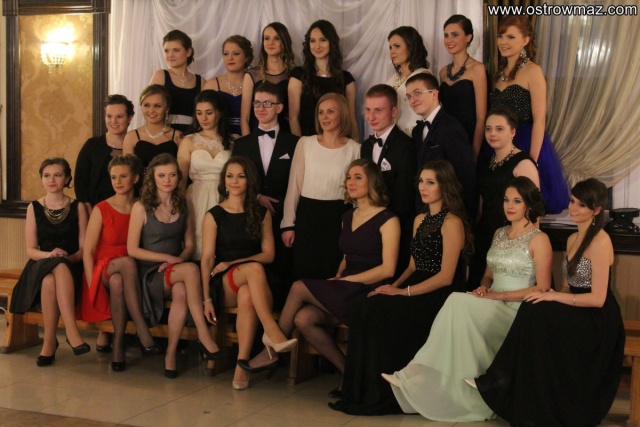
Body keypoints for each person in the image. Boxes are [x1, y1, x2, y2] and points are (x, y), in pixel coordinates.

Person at [382, 176, 552, 422]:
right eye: (506, 200)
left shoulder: (539, 238)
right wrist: (483, 289)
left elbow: (543, 287)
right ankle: (445, 383)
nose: (509, 205)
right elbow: (487, 276)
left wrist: (497, 296)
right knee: (458, 304)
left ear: (528, 204)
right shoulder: (499, 233)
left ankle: (417, 371)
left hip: (517, 310)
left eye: (517, 201)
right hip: (492, 302)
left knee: (456, 300)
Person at [474, 178, 625, 426]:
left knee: (536, 310)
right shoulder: (572, 239)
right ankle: (524, 393)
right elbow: (567, 287)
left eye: (582, 205)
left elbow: (598, 299)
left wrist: (553, 295)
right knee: (534, 305)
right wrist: (550, 297)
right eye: (572, 201)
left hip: (597, 319)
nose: (573, 208)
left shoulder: (600, 241)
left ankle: (499, 379)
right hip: (575, 306)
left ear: (597, 210)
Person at [246, 158, 400, 396]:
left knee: (298, 287)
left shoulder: (388, 219)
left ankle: (273, 350)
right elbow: (347, 256)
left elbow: (388, 269)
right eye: (348, 177)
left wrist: (347, 280)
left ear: (373, 182)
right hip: (346, 285)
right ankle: (347, 373)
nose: (350, 182)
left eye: (358, 177)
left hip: (369, 289)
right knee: (303, 318)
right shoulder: (348, 216)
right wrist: (339, 275)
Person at [329, 159, 470, 415]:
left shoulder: (452, 222)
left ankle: (383, 393)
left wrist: (403, 292)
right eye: (421, 181)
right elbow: (413, 266)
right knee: (365, 304)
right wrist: (390, 287)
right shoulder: (419, 219)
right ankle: (359, 391)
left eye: (430, 182)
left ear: (444, 186)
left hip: (439, 293)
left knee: (378, 312)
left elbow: (446, 277)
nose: (423, 187)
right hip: (414, 284)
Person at [200, 156, 297, 390]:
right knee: (253, 271)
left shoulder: (261, 213)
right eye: (230, 176)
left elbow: (269, 255)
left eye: (240, 176)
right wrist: (206, 299)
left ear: (249, 181)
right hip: (224, 282)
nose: (234, 181)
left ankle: (241, 366)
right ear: (224, 181)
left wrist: (233, 262)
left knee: (247, 294)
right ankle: (271, 332)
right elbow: (207, 260)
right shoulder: (214, 215)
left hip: (255, 281)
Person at [127, 153, 223, 378]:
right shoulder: (141, 207)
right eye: (161, 175)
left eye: (171, 175)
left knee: (181, 291)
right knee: (191, 269)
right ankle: (203, 335)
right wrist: (167, 259)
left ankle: (170, 355)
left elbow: (189, 245)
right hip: (151, 273)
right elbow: (132, 250)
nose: (167, 180)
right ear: (152, 178)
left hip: (176, 270)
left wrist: (178, 258)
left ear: (178, 177)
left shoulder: (183, 203)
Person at [82, 155, 163, 371]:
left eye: (123, 176)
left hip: (129, 274)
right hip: (103, 268)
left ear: (135, 178)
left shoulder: (143, 206)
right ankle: (141, 328)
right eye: (113, 177)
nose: (117, 182)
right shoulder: (101, 208)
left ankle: (118, 345)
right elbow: (88, 251)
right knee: (126, 263)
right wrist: (92, 284)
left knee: (118, 281)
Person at [9, 158, 89, 366]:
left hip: (72, 265)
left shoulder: (78, 207)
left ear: (67, 179)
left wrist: (67, 258)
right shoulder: (33, 207)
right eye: (47, 175)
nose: (51, 180)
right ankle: (71, 332)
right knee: (54, 267)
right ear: (42, 179)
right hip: (40, 263)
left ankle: (49, 343)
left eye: (58, 175)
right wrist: (51, 255)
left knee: (51, 278)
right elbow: (31, 250)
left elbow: (83, 249)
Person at [490, 15, 569, 214]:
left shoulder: (533, 71)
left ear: (525, 40)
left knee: (525, 206)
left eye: (510, 37)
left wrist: (531, 160)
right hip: (499, 144)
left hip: (526, 142)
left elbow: (540, 119)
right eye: (500, 36)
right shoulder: (498, 74)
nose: (503, 42)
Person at [233, 82, 299, 308]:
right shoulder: (241, 145)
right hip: (250, 220)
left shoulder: (295, 143)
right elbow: (234, 180)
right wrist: (257, 197)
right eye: (257, 103)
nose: (261, 108)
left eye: (267, 104)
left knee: (283, 276)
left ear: (279, 108)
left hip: (284, 220)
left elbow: (298, 183)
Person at [281, 93, 360, 280]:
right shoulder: (305, 143)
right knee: (304, 274)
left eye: (330, 111)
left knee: (332, 275)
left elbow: (357, 195)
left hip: (339, 218)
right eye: (321, 112)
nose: (324, 117)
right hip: (307, 217)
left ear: (342, 114)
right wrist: (288, 224)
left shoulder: (355, 149)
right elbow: (294, 186)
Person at [467, 107, 539, 289]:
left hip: (513, 237)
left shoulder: (523, 163)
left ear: (512, 132)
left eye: (499, 129)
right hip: (486, 233)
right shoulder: (486, 162)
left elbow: (534, 210)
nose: (492, 133)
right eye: (488, 129)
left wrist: (530, 248)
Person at [360, 84, 415, 275]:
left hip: (395, 228)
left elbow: (405, 197)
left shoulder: (406, 147)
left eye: (378, 110)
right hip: (368, 228)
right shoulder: (366, 146)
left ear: (394, 112)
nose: (371, 117)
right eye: (368, 110)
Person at [406, 72, 476, 219]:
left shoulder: (451, 128)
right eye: (409, 96)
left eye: (417, 93)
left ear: (434, 94)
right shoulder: (418, 131)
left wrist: (463, 219)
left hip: (449, 213)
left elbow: (465, 177)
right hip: (424, 211)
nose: (413, 100)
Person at [176, 90, 232, 260]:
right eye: (199, 113)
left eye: (209, 112)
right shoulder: (189, 141)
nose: (204, 118)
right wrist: (178, 207)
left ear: (219, 113)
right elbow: (181, 179)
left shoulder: (232, 142)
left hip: (223, 197)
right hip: (196, 198)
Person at [288, 20, 358, 140]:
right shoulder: (298, 75)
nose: (317, 46)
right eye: (312, 40)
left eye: (323, 40)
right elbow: (293, 118)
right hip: (308, 143)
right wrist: (300, 146)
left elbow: (351, 119)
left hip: (339, 144)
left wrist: (356, 146)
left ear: (332, 42)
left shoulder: (346, 79)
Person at [75, 95, 135, 214]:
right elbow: (80, 183)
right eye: (109, 116)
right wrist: (90, 214)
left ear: (130, 118)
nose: (113, 121)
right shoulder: (92, 145)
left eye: (119, 116)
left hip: (131, 211)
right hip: (95, 211)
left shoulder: (137, 146)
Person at [438, 15, 487, 158]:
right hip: (446, 139)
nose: (449, 40)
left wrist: (474, 153)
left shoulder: (477, 68)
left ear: (468, 37)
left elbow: (481, 117)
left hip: (469, 139)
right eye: (446, 35)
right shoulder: (442, 72)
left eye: (455, 35)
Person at [242, 22, 295, 134]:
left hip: (286, 135)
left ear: (284, 42)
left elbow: (295, 116)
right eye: (266, 38)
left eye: (276, 38)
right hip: (256, 135)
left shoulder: (294, 74)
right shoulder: (252, 75)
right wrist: (247, 142)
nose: (270, 43)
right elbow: (245, 118)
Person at [149, 30, 203, 133]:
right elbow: (150, 110)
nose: (170, 55)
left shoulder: (201, 81)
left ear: (188, 52)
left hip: (193, 135)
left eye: (176, 50)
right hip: (165, 134)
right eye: (166, 51)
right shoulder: (160, 75)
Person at [202, 35, 253, 139]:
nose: (230, 58)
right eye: (226, 54)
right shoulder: (211, 85)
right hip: (218, 140)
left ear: (247, 57)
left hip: (251, 137)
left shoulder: (255, 84)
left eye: (236, 53)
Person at [123, 85, 182, 172]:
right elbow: (127, 172)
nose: (151, 110)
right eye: (146, 105)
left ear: (166, 109)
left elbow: (182, 172)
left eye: (157, 106)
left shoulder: (178, 136)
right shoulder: (131, 136)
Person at [385, 26, 431, 136]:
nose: (392, 52)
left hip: (416, 137)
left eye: (397, 46)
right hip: (394, 138)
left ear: (411, 47)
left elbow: (429, 113)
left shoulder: (423, 75)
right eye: (390, 47)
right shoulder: (393, 78)